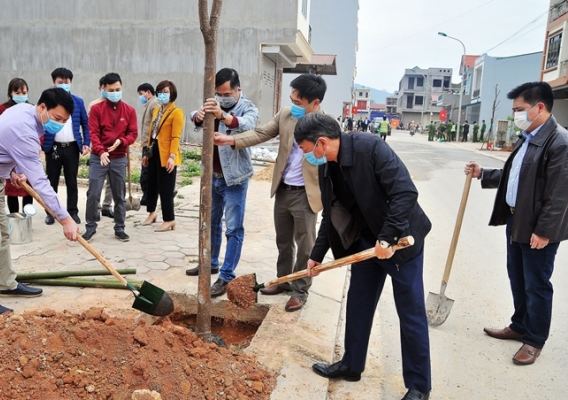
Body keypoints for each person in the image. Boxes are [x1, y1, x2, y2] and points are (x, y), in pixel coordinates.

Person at [296, 113, 432, 400]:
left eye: (307, 150)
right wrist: (316, 255)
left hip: (401, 240)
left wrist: (388, 236)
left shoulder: (370, 148)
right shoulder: (327, 167)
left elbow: (405, 193)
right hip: (367, 241)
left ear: (321, 143)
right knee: (358, 302)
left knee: (410, 311)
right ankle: (351, 364)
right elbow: (331, 213)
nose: (307, 156)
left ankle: (419, 386)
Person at [0, 88, 79, 318]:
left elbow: (4, 144)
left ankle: (6, 284)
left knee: (2, 233)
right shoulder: (24, 131)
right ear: (42, 108)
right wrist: (65, 218)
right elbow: (40, 181)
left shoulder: (23, 110)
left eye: (64, 121)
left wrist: (16, 169)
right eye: (57, 118)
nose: (58, 124)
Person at [464, 81, 568, 366]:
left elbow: (559, 195)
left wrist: (544, 231)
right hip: (517, 220)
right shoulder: (528, 136)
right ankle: (520, 325)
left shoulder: (559, 142)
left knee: (536, 283)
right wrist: (483, 173)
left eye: (519, 110)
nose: (515, 116)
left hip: (538, 229)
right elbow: (516, 176)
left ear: (540, 107)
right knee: (518, 277)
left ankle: (534, 340)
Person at [214, 73, 326, 311]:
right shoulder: (285, 115)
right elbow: (261, 133)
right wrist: (230, 140)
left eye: (298, 103)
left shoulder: (327, 125)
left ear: (315, 103)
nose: (293, 106)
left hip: (307, 194)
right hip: (284, 189)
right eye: (292, 99)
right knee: (283, 240)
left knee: (305, 246)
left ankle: (300, 290)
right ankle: (283, 281)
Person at [185, 68, 259, 298]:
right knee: (211, 223)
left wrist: (222, 116)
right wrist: (198, 115)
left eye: (227, 93)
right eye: (219, 93)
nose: (223, 97)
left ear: (238, 90)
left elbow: (247, 125)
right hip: (212, 177)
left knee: (234, 228)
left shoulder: (248, 107)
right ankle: (210, 264)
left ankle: (227, 276)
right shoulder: (212, 103)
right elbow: (194, 118)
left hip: (235, 179)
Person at [83, 72, 138, 242]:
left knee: (119, 195)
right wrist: (101, 151)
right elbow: (93, 133)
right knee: (93, 193)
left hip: (119, 157)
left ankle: (120, 227)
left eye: (118, 89)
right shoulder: (96, 110)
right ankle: (90, 226)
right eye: (111, 89)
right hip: (98, 157)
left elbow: (133, 133)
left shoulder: (129, 110)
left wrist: (122, 141)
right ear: (104, 90)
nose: (115, 92)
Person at [41, 67, 90, 224]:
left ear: (71, 82)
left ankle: (72, 212)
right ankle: (51, 212)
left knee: (72, 180)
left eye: (66, 82)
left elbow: (85, 124)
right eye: (59, 82)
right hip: (53, 146)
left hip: (72, 147)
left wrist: (86, 142)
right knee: (52, 180)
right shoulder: (47, 102)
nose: (63, 84)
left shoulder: (78, 101)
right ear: (53, 83)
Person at [141, 80, 183, 231]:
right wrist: (146, 153)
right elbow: (152, 134)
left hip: (167, 153)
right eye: (160, 92)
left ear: (172, 93)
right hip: (154, 150)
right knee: (150, 183)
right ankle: (152, 213)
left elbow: (176, 137)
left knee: (166, 187)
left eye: (166, 92)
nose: (163, 95)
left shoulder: (177, 112)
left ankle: (169, 219)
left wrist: (172, 156)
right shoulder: (157, 111)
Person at [0, 78, 34, 213]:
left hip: (26, 154)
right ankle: (15, 218)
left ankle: (27, 219)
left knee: (28, 190)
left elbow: (38, 132)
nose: (21, 95)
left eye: (24, 92)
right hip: (9, 153)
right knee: (12, 190)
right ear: (10, 93)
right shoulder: (2, 109)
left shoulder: (32, 109)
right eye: (17, 92)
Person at [88, 76, 114, 220]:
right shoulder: (94, 106)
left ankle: (107, 206)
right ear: (101, 89)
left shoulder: (118, 106)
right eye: (108, 88)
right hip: (99, 150)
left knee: (112, 182)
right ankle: (96, 208)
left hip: (115, 151)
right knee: (96, 182)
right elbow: (92, 129)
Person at [137, 83, 159, 205]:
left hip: (150, 144)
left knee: (146, 173)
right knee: (146, 172)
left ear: (148, 92)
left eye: (141, 94)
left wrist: (150, 144)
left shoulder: (154, 104)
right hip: (147, 143)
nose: (141, 97)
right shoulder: (149, 104)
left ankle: (148, 197)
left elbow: (155, 125)